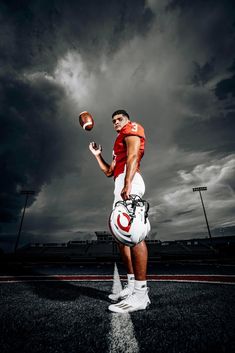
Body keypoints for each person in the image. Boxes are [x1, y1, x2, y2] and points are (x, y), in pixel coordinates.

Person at [89, 109, 150, 313]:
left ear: (127, 120)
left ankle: (141, 294)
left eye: (119, 119)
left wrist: (127, 183)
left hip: (130, 180)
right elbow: (108, 171)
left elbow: (133, 155)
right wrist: (98, 155)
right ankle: (132, 286)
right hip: (119, 181)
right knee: (121, 238)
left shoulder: (132, 129)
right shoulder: (117, 144)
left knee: (134, 233)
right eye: (113, 120)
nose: (116, 122)